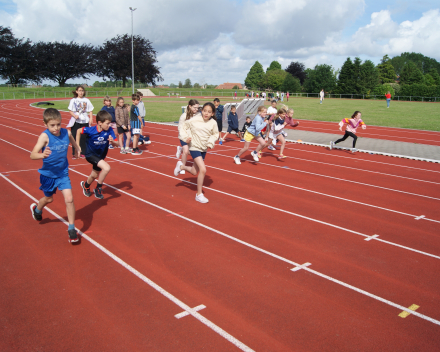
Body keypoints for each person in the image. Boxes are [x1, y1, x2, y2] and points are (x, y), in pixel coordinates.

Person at [30, 108, 80, 244]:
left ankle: (71, 228)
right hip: (48, 175)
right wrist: (42, 155)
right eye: (52, 125)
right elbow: (32, 154)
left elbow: (71, 138)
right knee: (49, 199)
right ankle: (37, 209)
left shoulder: (66, 132)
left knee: (69, 199)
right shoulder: (45, 136)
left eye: (58, 124)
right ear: (45, 124)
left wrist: (77, 148)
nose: (56, 128)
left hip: (63, 173)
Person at [173, 102, 219, 204]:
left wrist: (211, 142)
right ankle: (199, 194)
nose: (206, 113)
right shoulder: (195, 119)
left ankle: (181, 167)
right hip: (194, 147)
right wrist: (186, 138)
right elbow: (183, 127)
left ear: (212, 113)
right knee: (203, 170)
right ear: (202, 111)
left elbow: (215, 134)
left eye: (209, 112)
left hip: (203, 149)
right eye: (205, 111)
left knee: (194, 172)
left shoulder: (213, 123)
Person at [78, 110, 119, 200]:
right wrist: (77, 146)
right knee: (106, 168)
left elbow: (117, 144)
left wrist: (112, 142)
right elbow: (78, 131)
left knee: (94, 175)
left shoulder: (109, 130)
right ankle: (98, 188)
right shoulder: (91, 130)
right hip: (90, 154)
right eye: (107, 123)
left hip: (100, 156)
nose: (109, 125)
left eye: (110, 123)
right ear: (100, 123)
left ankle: (86, 185)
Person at [67, 85, 94, 159]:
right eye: (79, 90)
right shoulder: (73, 100)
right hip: (76, 120)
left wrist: (91, 118)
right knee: (74, 136)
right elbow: (70, 110)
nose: (81, 92)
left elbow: (90, 110)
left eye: (82, 90)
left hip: (84, 120)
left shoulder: (87, 100)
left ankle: (83, 152)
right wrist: (74, 115)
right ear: (77, 91)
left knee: (84, 137)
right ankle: (75, 152)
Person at [176, 99, 200, 175]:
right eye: (194, 107)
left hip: (193, 137)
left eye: (197, 108)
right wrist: (185, 137)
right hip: (184, 137)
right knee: (186, 151)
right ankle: (182, 166)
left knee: (193, 152)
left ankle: (180, 149)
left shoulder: (198, 115)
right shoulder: (184, 116)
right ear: (190, 106)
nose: (196, 109)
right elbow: (180, 128)